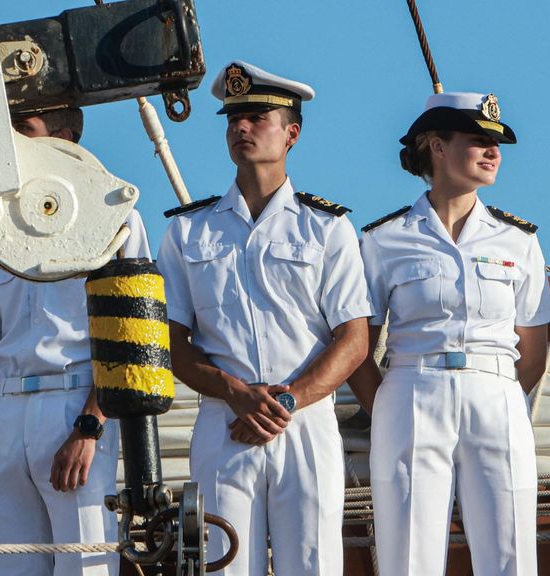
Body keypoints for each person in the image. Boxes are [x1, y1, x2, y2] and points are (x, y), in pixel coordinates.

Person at [157, 61, 372, 576]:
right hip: (223, 420)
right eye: (233, 119)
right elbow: (172, 342)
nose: (240, 128)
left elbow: (354, 339)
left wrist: (286, 401)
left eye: (257, 118)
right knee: (220, 565)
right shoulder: (187, 233)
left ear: (291, 133)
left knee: (314, 565)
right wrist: (233, 391)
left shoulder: (328, 228)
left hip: (305, 420)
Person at [348, 91, 550, 576]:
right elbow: (358, 345)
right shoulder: (384, 239)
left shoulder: (519, 240)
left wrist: (492, 391)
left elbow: (535, 353)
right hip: (411, 392)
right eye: (478, 141)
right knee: (408, 557)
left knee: (511, 555)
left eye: (496, 143)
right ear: (436, 147)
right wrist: (393, 407)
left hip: (498, 394)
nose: (493, 152)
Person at [0, 106, 150, 576]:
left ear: (66, 138)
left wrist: (90, 426)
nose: (12, 147)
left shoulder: (115, 216)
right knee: (9, 568)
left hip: (75, 405)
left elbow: (129, 339)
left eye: (25, 132)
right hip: (3, 413)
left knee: (84, 566)